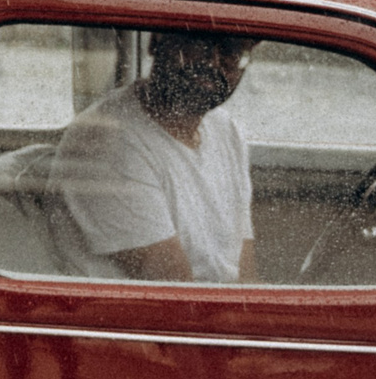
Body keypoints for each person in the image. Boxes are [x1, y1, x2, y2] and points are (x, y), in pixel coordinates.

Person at [47, 31, 259, 282]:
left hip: (208, 312)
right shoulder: (108, 138)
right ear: (156, 41)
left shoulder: (226, 131)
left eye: (231, 51)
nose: (212, 62)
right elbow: (177, 295)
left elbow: (246, 279)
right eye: (198, 44)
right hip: (136, 317)